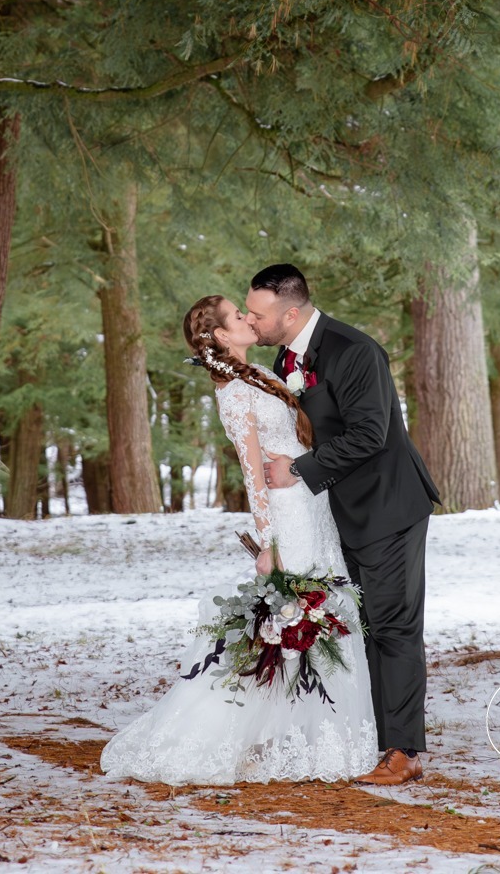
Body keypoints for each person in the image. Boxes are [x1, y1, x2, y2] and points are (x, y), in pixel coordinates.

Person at [99, 294, 378, 784]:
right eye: (238, 316)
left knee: (321, 615)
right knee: (294, 623)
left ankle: (311, 734)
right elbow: (253, 475)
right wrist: (267, 544)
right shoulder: (233, 392)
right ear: (223, 337)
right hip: (287, 517)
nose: (250, 318)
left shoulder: (262, 375)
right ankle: (270, 738)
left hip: (311, 504)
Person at [245, 263, 439, 786]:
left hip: (387, 506)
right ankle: (378, 739)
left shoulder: (354, 351)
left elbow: (372, 433)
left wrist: (299, 471)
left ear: (291, 311)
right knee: (367, 626)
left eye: (257, 313)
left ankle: (403, 752)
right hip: (341, 513)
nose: (250, 321)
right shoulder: (286, 355)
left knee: (394, 625)